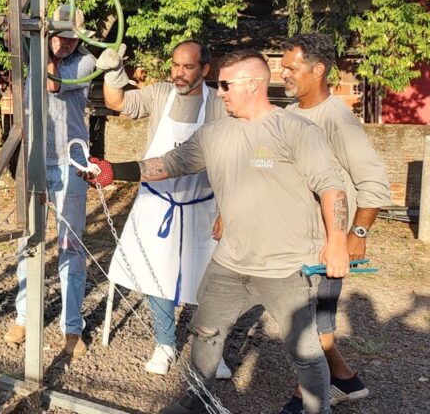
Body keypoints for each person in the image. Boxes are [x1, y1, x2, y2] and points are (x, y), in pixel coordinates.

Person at [84, 50, 350, 414]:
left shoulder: (295, 130)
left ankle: (319, 408)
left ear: (253, 85)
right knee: (204, 335)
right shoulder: (216, 133)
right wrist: (113, 170)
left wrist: (337, 242)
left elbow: (332, 186)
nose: (219, 92)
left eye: (225, 85)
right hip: (229, 262)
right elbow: (170, 163)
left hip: (286, 266)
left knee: (304, 351)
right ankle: (193, 403)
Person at [99, 40, 231, 378]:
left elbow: (233, 162)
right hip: (158, 202)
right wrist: (114, 72)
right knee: (157, 274)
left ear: (205, 70)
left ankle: (212, 350)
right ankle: (164, 343)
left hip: (203, 204)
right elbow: (116, 101)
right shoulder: (159, 93)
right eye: (175, 65)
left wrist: (227, 211)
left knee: (210, 279)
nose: (179, 73)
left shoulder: (219, 104)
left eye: (188, 67)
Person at [275, 33, 392, 413]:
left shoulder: (336, 119)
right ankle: (346, 380)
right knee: (313, 318)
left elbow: (373, 182)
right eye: (283, 65)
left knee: (309, 321)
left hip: (327, 242)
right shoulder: (291, 114)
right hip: (296, 238)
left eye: (291, 67)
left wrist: (355, 235)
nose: (283, 73)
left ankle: (308, 396)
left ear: (318, 69)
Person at [5, 5, 97, 358]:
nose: (66, 43)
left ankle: (72, 327)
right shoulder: (36, 55)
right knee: (27, 241)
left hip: (70, 162)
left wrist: (43, 48)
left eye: (72, 38)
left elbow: (53, 85)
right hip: (33, 160)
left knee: (70, 246)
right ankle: (25, 317)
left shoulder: (82, 64)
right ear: (48, 33)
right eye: (59, 35)